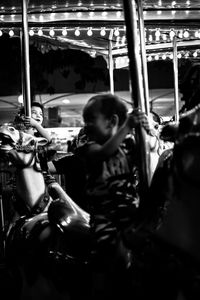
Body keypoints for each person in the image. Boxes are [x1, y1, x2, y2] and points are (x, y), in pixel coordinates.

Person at [73, 93, 150, 299]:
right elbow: (103, 153)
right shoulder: (88, 147)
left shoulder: (129, 145)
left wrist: (146, 129)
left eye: (91, 120)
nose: (86, 125)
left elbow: (149, 155)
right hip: (106, 217)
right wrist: (127, 127)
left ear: (112, 121)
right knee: (107, 252)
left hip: (132, 213)